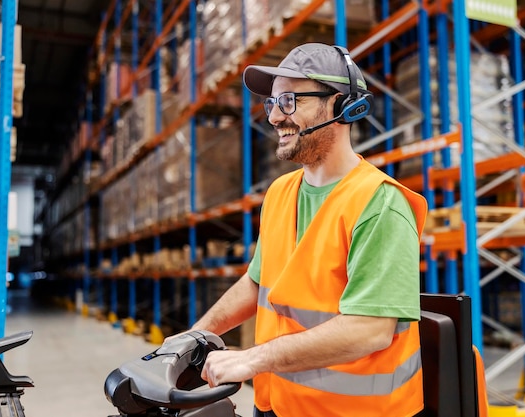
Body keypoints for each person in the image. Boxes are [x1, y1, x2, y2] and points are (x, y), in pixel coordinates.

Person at [173, 43, 428, 417]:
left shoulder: (379, 203)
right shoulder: (280, 193)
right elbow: (257, 283)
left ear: (341, 105)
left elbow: (369, 330)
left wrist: (254, 358)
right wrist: (195, 336)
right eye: (272, 104)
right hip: (280, 405)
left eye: (290, 101)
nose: (275, 117)